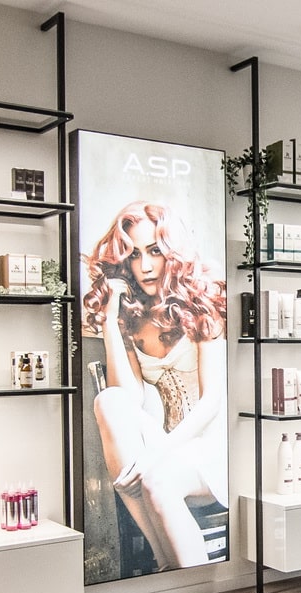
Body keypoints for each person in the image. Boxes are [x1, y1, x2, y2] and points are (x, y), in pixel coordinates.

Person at [82, 200, 227, 568]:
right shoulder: (132, 316)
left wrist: (157, 454)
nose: (144, 265)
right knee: (108, 401)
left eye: (154, 251)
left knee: (157, 480)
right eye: (134, 254)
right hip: (162, 446)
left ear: (172, 253)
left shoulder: (203, 303)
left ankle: (179, 578)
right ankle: (168, 565)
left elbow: (212, 403)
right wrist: (110, 321)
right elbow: (127, 398)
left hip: (211, 445)